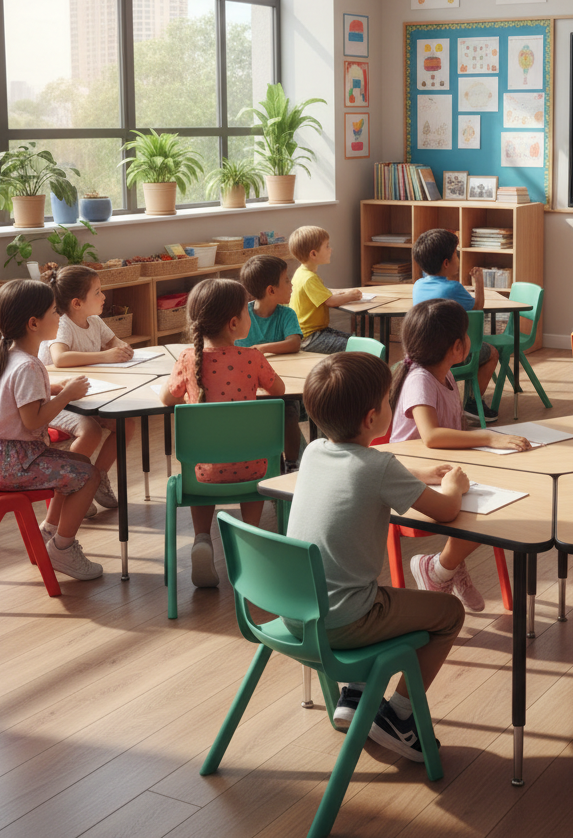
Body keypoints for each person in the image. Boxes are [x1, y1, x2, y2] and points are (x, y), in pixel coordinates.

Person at [287, 351, 468, 761]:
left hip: (294, 611)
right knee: (448, 612)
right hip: (343, 622)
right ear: (372, 418)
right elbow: (447, 510)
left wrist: (416, 475)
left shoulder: (314, 451)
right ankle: (400, 716)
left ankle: (355, 696)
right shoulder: (380, 467)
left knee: (367, 583)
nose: (393, 406)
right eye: (389, 400)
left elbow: (366, 470)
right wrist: (454, 484)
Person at [389, 299, 530, 611]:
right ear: (457, 346)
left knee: (500, 502)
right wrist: (489, 437)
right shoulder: (420, 379)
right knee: (486, 511)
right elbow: (432, 436)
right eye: (467, 335)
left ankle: (448, 567)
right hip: (411, 482)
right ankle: (441, 568)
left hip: (439, 473)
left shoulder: (446, 374)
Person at [160, 278, 287, 589]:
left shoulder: (189, 359)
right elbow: (279, 389)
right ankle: (251, 536)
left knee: (204, 460)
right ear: (234, 324)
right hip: (254, 472)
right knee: (255, 460)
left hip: (202, 477)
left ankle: (203, 539)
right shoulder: (253, 358)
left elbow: (167, 399)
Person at [0, 279, 104, 581]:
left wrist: (52, 389)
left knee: (80, 465)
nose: (59, 317)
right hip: (12, 463)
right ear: (34, 323)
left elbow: (19, 402)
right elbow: (32, 421)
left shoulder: (9, 354)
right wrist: (66, 396)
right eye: (53, 312)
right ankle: (62, 547)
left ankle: (49, 529)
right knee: (90, 477)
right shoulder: (29, 366)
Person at [43, 264, 136, 512]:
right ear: (76, 303)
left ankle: (97, 478)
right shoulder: (62, 324)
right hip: (55, 399)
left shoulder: (93, 320)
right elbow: (60, 358)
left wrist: (121, 346)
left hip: (84, 396)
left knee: (125, 423)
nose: (103, 296)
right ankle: (72, 487)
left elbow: (112, 340)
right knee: (91, 430)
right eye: (97, 292)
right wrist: (106, 356)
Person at [411, 227, 501, 423]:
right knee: (491, 352)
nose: (458, 258)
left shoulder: (418, 285)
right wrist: (479, 283)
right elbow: (477, 309)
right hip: (450, 355)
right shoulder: (453, 288)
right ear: (446, 263)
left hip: (423, 351)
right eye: (456, 255)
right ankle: (471, 403)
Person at [236, 254, 304, 465]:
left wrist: (262, 349)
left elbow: (294, 343)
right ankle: (266, 461)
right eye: (286, 280)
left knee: (289, 410)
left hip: (282, 384)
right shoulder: (242, 315)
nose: (291, 284)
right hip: (247, 390)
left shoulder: (286, 314)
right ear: (271, 290)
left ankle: (292, 465)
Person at [288, 225, 362, 354]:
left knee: (356, 340)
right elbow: (331, 301)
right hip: (310, 337)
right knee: (360, 347)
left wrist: (339, 292)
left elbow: (322, 291)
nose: (331, 249)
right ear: (313, 254)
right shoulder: (309, 278)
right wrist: (351, 296)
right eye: (327, 246)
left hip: (312, 332)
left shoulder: (301, 272)